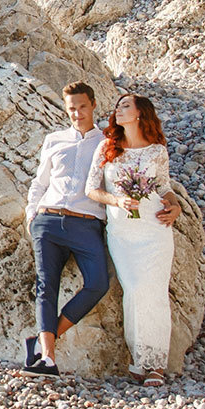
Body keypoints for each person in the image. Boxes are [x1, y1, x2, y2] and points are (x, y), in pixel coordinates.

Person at [20, 82, 179, 378]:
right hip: (51, 219)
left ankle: (45, 338)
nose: (76, 113)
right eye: (71, 108)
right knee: (47, 285)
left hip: (90, 224)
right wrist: (32, 215)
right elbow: (41, 183)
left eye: (81, 106)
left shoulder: (109, 142)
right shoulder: (59, 140)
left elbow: (161, 184)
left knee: (98, 284)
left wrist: (175, 205)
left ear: (93, 105)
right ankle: (48, 356)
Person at [87, 92, 178, 387]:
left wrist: (174, 205)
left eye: (126, 106)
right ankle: (140, 357)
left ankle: (154, 366)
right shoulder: (107, 147)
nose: (118, 109)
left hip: (155, 228)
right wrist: (116, 200)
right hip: (123, 230)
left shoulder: (157, 151)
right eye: (117, 106)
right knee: (136, 289)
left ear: (140, 114)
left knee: (155, 291)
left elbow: (164, 186)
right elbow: (91, 190)